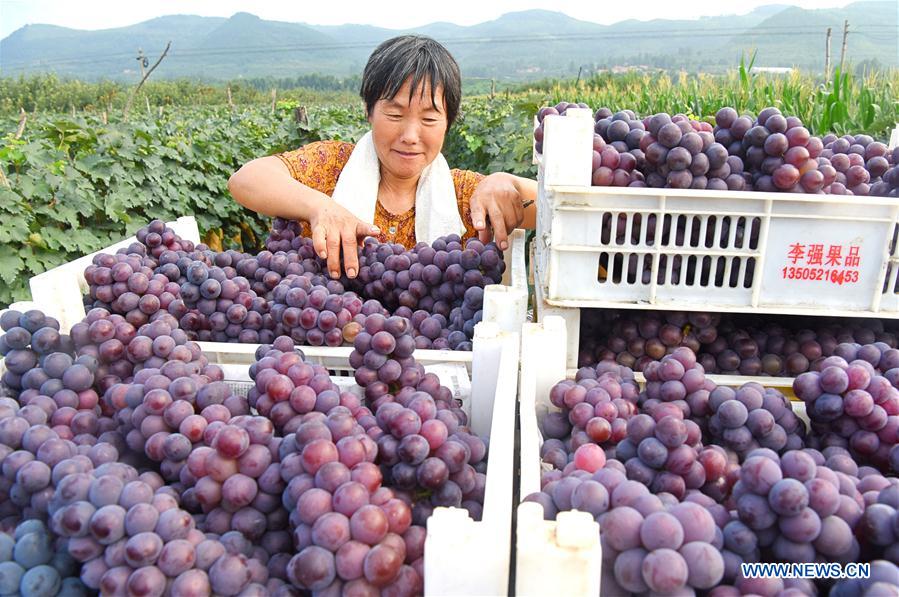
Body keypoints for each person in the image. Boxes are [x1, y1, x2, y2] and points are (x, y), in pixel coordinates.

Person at [228, 35, 536, 280]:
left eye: (429, 120)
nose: (411, 135)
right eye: (394, 113)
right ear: (369, 111)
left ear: (448, 123)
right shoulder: (330, 167)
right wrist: (320, 207)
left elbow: (557, 208)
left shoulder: (467, 196)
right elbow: (246, 180)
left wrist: (507, 182)